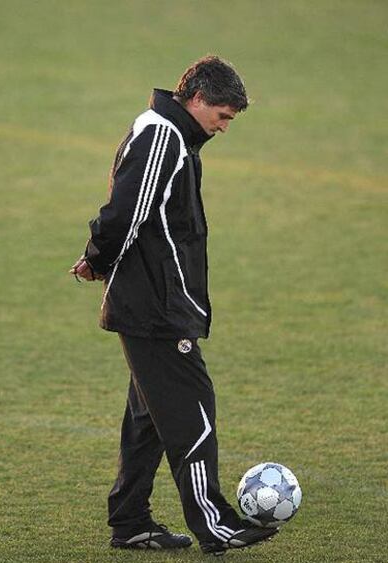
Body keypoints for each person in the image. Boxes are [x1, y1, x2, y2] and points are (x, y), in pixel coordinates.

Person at [70, 55, 278, 555]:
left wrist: (101, 261)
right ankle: (217, 525)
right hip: (156, 307)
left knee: (150, 418)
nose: (224, 128)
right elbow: (125, 212)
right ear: (199, 98)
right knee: (192, 410)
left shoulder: (172, 135)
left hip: (155, 302)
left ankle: (131, 520)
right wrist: (97, 259)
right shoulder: (162, 137)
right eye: (223, 116)